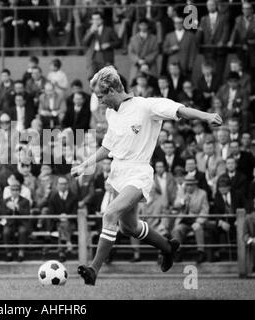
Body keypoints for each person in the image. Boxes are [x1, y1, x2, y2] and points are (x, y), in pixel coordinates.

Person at [71, 66, 222, 285]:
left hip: (138, 172)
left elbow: (180, 110)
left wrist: (206, 115)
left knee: (110, 214)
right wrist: (84, 164)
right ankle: (168, 247)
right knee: (128, 227)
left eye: (101, 96)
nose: (100, 101)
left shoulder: (146, 106)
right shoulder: (111, 113)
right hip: (118, 173)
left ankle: (93, 269)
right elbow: (108, 147)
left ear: (112, 90)